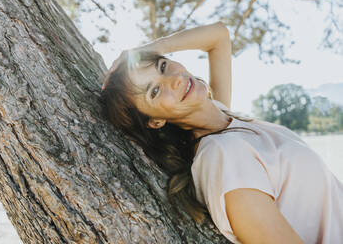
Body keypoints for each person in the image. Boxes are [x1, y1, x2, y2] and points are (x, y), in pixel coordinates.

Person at [99, 21, 343, 244]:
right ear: (155, 121)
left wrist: (145, 50)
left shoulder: (221, 115)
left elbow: (219, 36)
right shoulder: (223, 156)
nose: (173, 79)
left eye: (162, 66)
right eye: (154, 91)